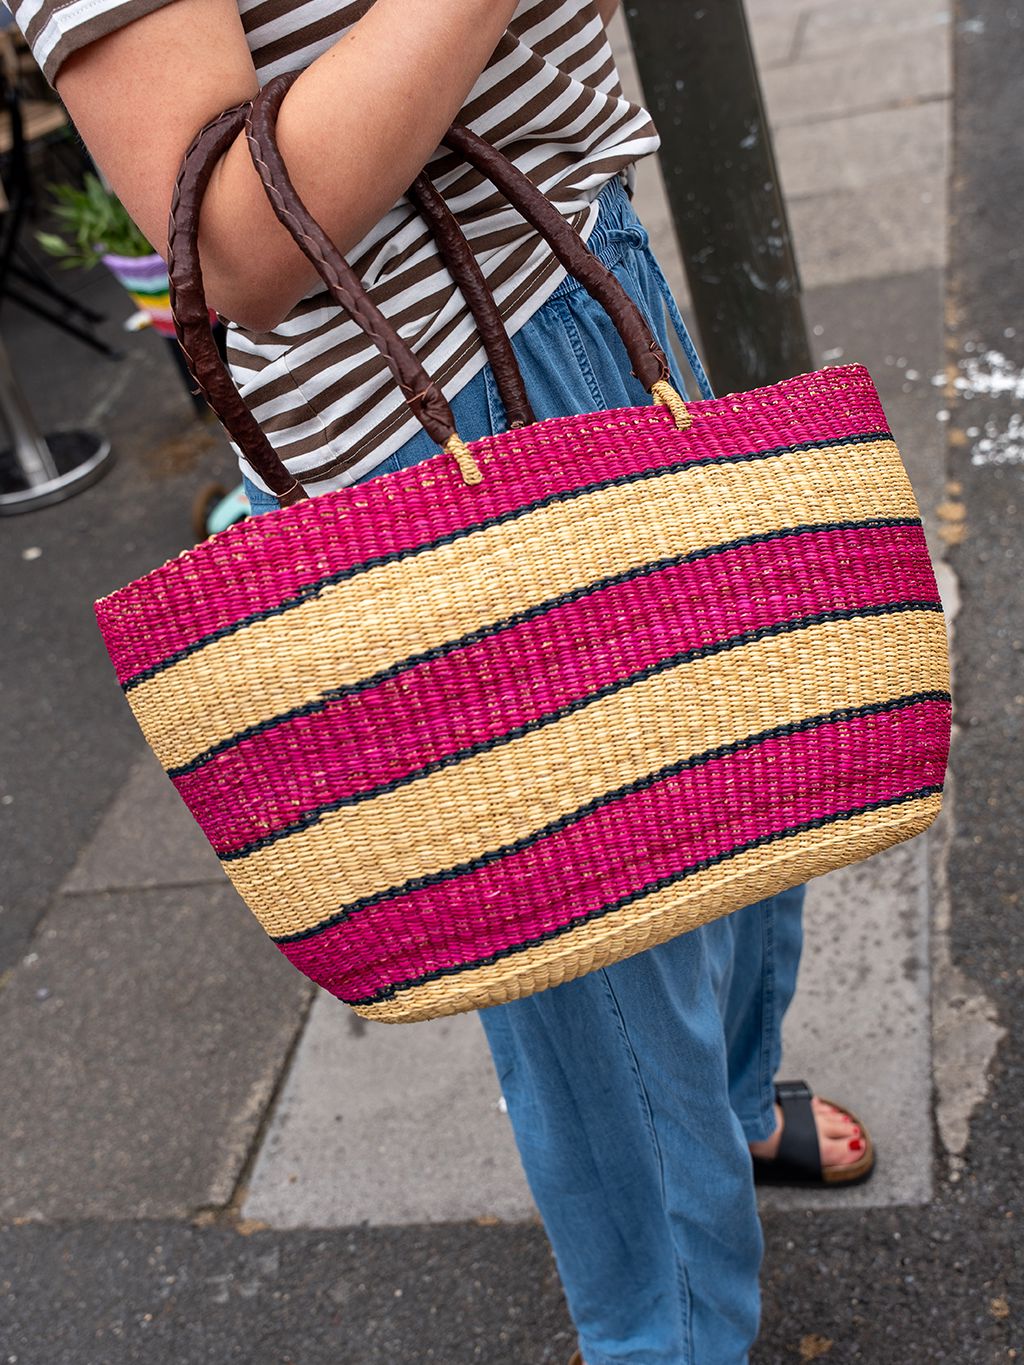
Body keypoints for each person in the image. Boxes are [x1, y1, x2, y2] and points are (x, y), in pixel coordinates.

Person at [19, 1, 874, 1359]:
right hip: (431, 408)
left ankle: (739, 1092)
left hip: (585, 259)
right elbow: (234, 239)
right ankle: (667, 1333)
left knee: (757, 801)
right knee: (612, 1001)